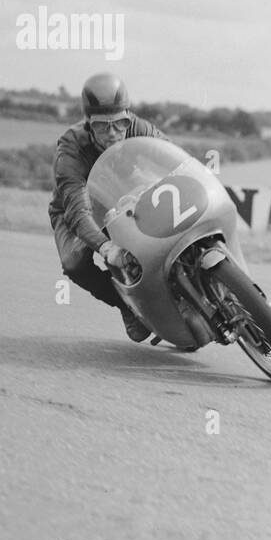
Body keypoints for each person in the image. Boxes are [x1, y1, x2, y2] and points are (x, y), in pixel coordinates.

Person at [48, 73, 167, 342]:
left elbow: (174, 159)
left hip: (123, 194)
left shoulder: (139, 127)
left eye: (120, 123)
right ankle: (127, 305)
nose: (113, 133)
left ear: (128, 116)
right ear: (89, 125)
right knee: (73, 263)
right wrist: (107, 247)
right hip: (75, 207)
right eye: (102, 126)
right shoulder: (70, 147)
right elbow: (78, 211)